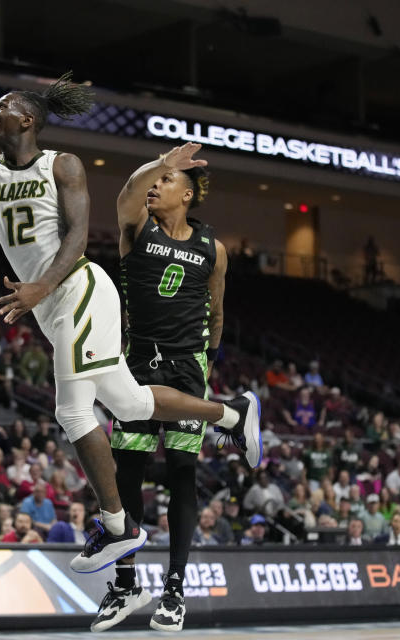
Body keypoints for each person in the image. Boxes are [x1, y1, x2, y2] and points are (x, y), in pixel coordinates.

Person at [0, 25, 257, 578]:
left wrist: (39, 288)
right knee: (125, 403)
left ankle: (119, 529)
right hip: (51, 307)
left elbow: (78, 237)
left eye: (1, 107)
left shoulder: (62, 165)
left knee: (72, 411)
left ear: (26, 120)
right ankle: (232, 412)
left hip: (79, 288)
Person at [94, 143, 254, 633]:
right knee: (129, 469)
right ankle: (125, 582)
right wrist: (161, 164)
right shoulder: (135, 230)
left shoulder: (214, 248)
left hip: (188, 369)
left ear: (186, 195)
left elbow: (218, 312)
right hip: (138, 365)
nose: (154, 188)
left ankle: (175, 588)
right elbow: (126, 192)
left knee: (183, 471)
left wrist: (204, 361)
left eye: (164, 184)